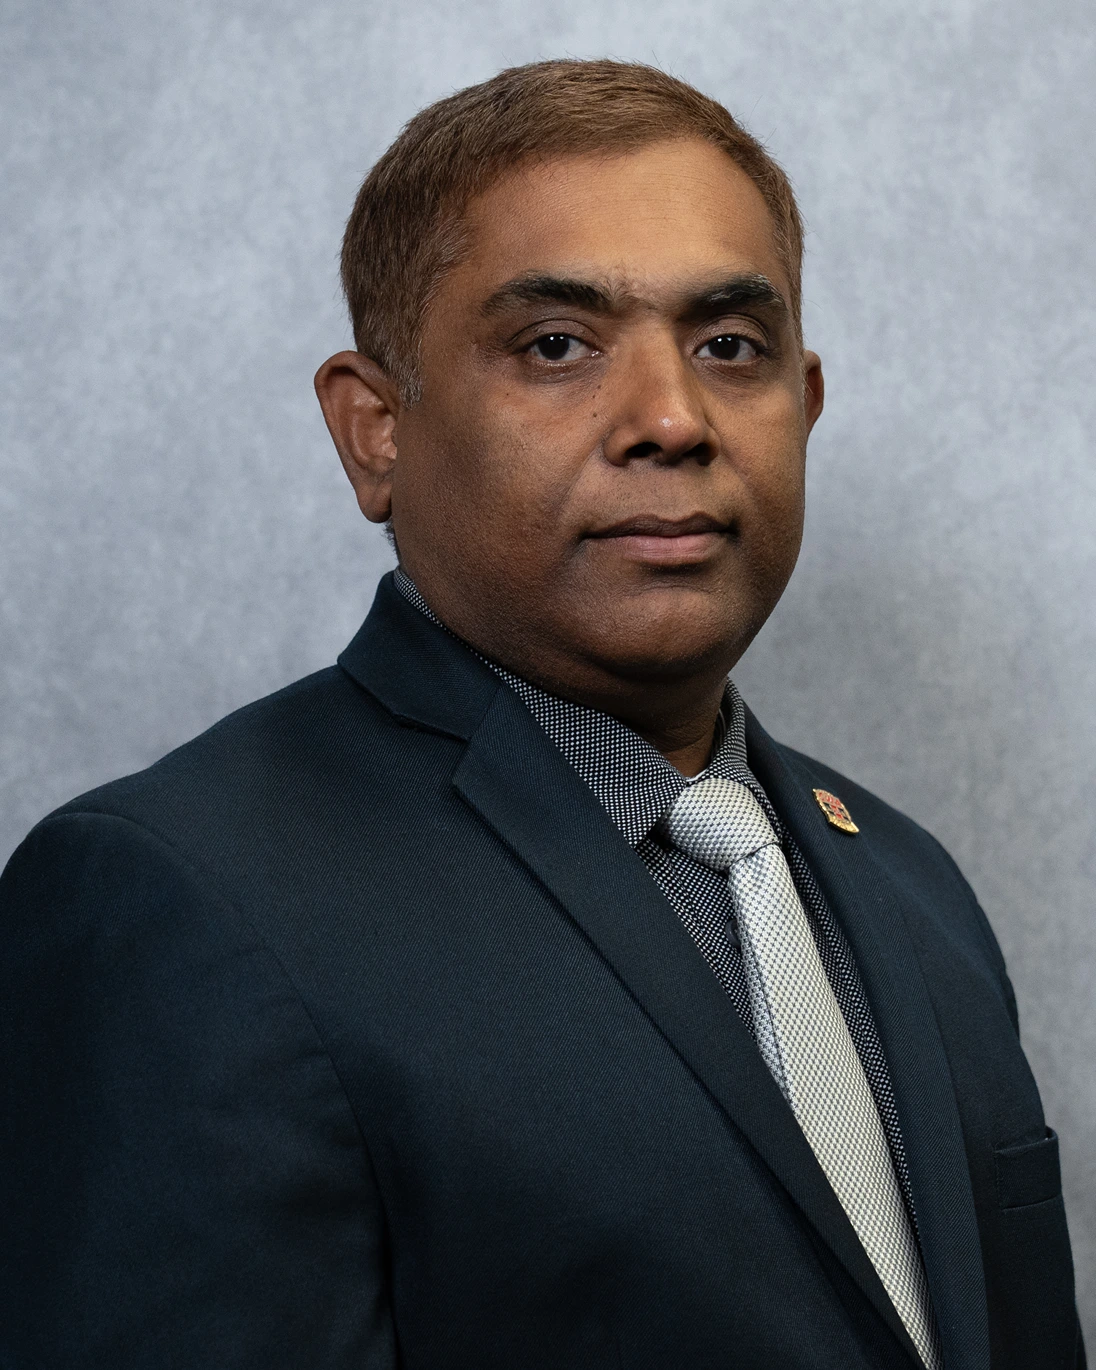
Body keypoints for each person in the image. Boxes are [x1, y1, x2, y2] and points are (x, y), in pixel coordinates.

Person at [0, 59, 1084, 1370]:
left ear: (801, 405)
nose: (673, 418)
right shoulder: (180, 901)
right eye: (557, 345)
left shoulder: (912, 885)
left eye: (728, 345)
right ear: (375, 432)